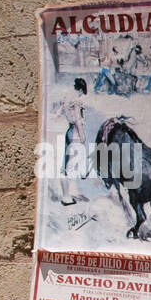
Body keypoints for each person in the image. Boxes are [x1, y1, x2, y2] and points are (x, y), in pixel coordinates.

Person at [50, 77, 88, 206]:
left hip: (69, 132)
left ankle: (82, 173)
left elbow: (59, 111)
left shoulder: (67, 97)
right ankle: (66, 197)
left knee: (69, 163)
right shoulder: (77, 101)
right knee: (71, 165)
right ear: (81, 89)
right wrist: (82, 135)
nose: (83, 94)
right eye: (83, 91)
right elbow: (77, 119)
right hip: (76, 133)